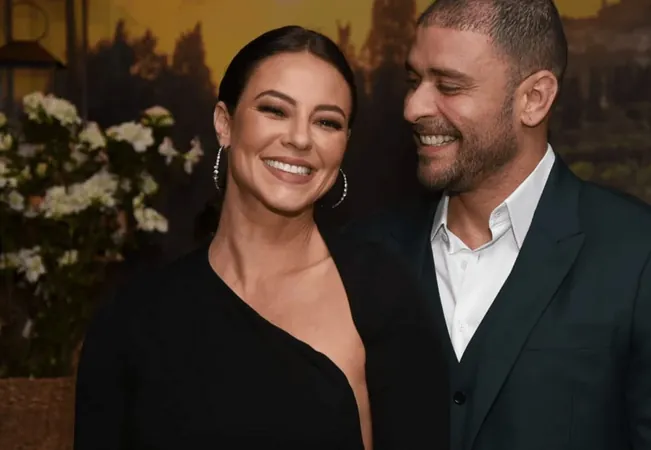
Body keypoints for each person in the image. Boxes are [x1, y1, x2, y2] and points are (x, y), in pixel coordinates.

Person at [349, 0, 651, 449]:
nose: (413, 107)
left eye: (449, 86)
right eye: (414, 81)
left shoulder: (647, 262)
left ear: (534, 99)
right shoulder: (366, 252)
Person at [73, 26, 449, 450]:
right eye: (275, 110)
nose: (300, 139)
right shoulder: (131, 320)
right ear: (225, 123)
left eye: (326, 122)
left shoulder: (383, 293)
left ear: (344, 144)